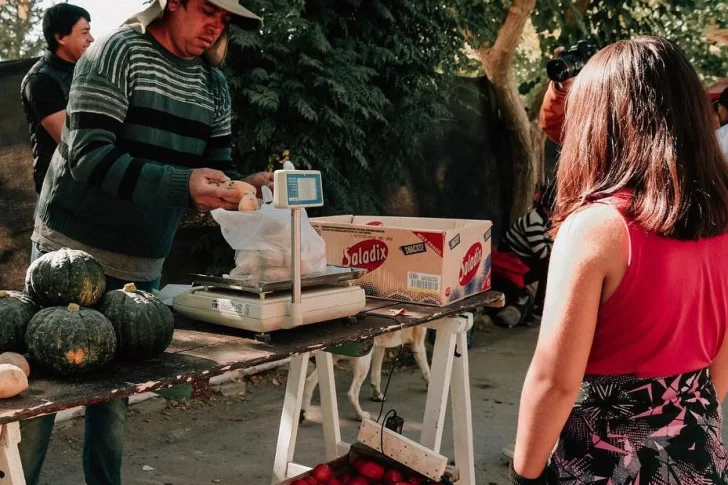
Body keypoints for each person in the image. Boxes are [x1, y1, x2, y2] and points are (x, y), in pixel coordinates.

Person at [21, 1, 269, 484]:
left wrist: (242, 187)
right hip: (71, 250)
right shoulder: (118, 53)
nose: (218, 25)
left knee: (114, 399)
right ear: (172, 1)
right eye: (207, 9)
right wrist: (183, 185)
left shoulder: (213, 84)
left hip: (143, 260)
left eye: (227, 18)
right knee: (45, 394)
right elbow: (89, 157)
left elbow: (215, 165)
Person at [510, 36, 728, 484]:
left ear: (597, 121)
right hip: (699, 451)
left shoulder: (596, 228)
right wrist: (679, 421)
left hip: (606, 460)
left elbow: (555, 381)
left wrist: (525, 474)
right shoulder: (721, 218)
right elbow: (722, 365)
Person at [20, 3, 94, 194]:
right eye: (84, 32)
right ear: (60, 37)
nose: (91, 39)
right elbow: (71, 142)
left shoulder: (85, 70)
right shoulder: (40, 81)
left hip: (89, 182)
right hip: (60, 189)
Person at [491, 183, 554, 328]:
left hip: (525, 258)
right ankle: (539, 306)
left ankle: (539, 305)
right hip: (512, 260)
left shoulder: (545, 220)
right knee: (549, 264)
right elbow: (542, 252)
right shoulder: (534, 222)